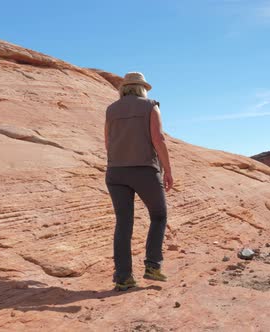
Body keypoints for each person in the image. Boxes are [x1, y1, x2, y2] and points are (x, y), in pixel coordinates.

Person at [104, 72, 173, 291]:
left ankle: (123, 277)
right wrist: (168, 170)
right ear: (142, 88)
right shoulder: (150, 106)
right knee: (159, 215)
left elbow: (107, 142)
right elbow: (158, 139)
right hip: (144, 170)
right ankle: (152, 265)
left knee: (123, 223)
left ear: (125, 88)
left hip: (115, 172)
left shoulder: (111, 109)